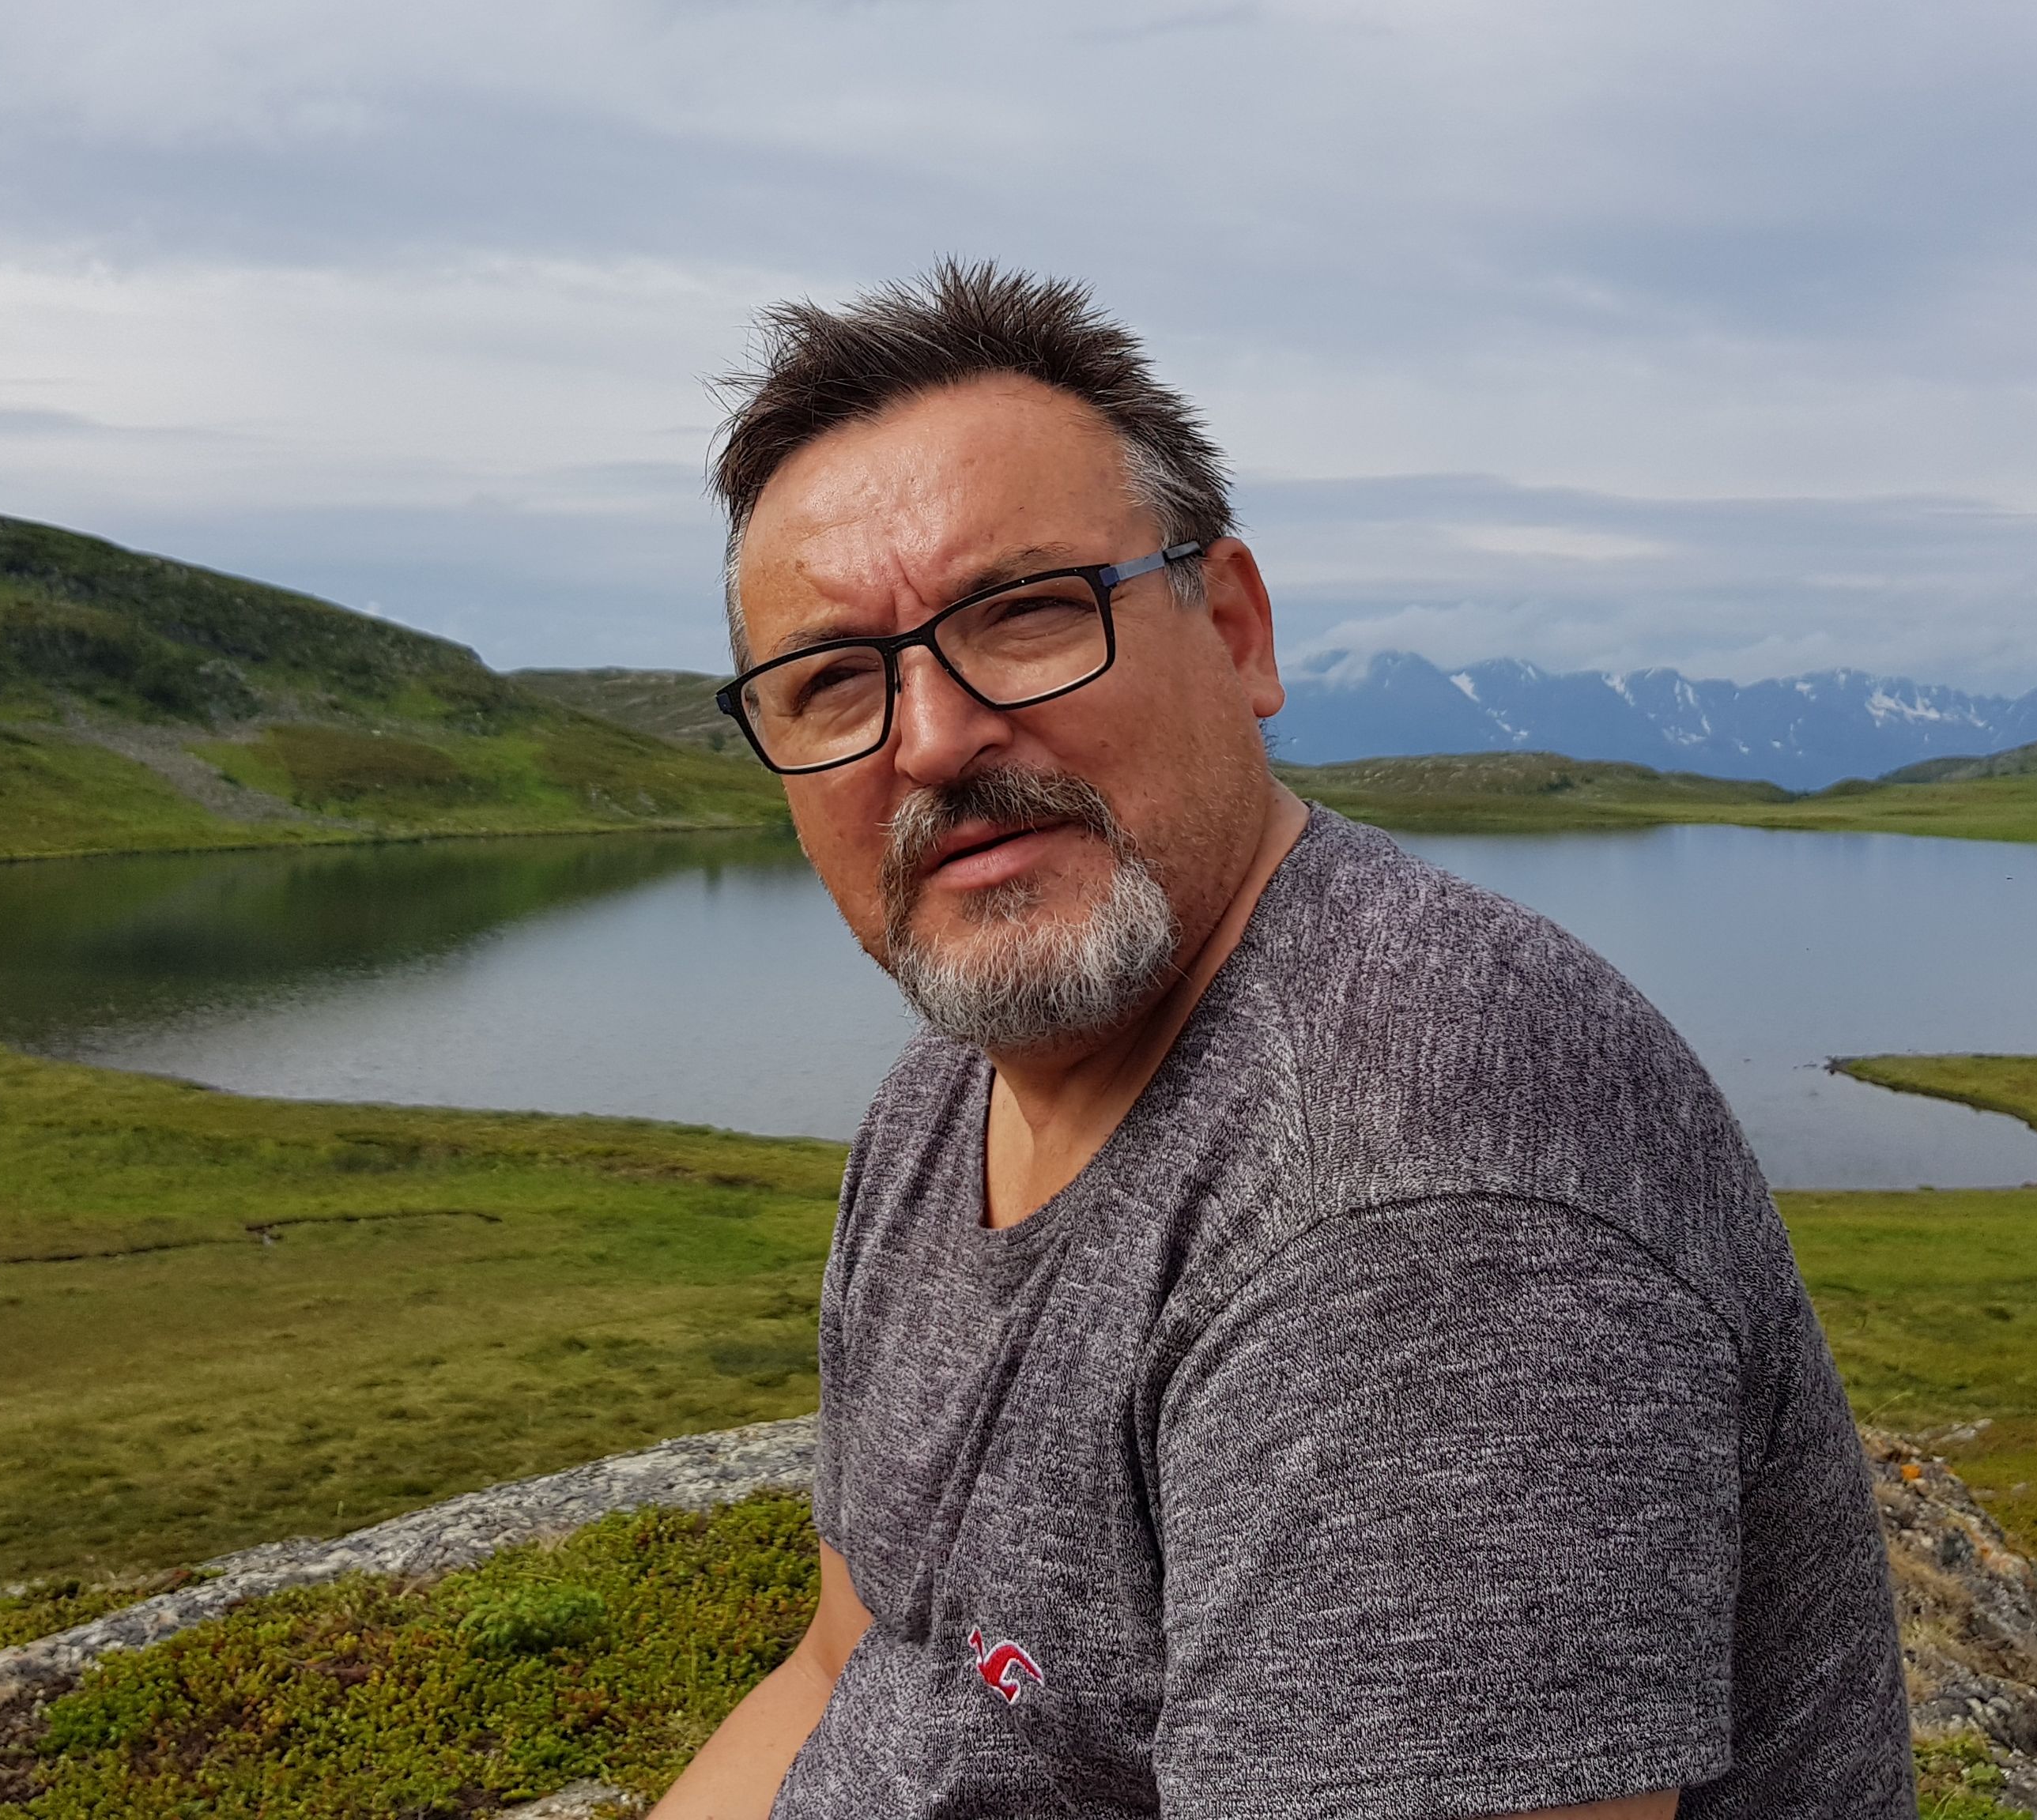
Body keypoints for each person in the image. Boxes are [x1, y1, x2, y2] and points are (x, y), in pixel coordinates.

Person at [652, 265, 1911, 1820]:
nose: (931, 736)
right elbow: (842, 1663)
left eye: (1026, 614)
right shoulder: (943, 1102)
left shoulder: (1416, 1199)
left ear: (1237, 632)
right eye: (832, 681)